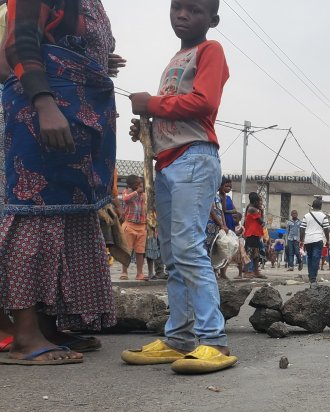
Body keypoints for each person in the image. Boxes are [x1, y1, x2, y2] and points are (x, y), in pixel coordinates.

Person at [0, 0, 121, 365]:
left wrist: (97, 63)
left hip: (78, 110)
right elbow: (22, 40)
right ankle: (23, 335)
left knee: (67, 219)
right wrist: (43, 102)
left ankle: (47, 325)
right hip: (46, 107)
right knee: (33, 214)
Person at [122, 0, 236, 374]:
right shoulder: (175, 58)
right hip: (169, 160)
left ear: (213, 19)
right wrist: (149, 131)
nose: (183, 15)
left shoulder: (210, 51)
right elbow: (174, 113)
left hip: (195, 158)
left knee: (188, 247)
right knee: (173, 256)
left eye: (194, 10)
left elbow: (204, 102)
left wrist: (152, 103)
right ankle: (179, 338)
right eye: (177, 8)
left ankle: (213, 341)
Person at [121, 175, 148, 281]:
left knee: (140, 251)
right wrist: (136, 192)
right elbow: (125, 199)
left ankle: (139, 273)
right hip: (129, 225)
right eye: (138, 185)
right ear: (132, 185)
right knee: (127, 250)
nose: (140, 187)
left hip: (142, 226)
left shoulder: (144, 195)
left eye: (141, 185)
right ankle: (124, 271)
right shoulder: (127, 192)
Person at [301, 198, 329, 287]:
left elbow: (302, 228)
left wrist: (301, 240)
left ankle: (311, 277)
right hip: (318, 240)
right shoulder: (323, 216)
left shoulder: (306, 216)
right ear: (320, 206)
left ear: (312, 206)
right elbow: (326, 229)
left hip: (308, 240)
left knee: (310, 258)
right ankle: (313, 279)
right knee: (316, 258)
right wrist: (327, 240)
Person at [243, 192, 266, 279]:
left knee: (255, 253)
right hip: (252, 234)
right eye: (260, 201)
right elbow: (261, 222)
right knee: (249, 253)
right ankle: (247, 272)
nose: (261, 203)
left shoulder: (250, 207)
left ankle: (255, 271)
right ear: (256, 202)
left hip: (254, 233)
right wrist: (262, 211)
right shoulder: (253, 209)